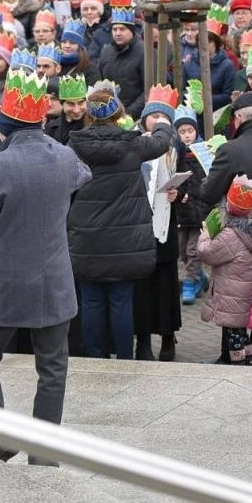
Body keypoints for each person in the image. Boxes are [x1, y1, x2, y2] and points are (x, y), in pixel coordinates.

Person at [0, 65, 92, 465]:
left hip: (5, 279)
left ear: (5, 125)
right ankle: (44, 453)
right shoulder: (65, 157)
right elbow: (83, 176)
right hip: (54, 280)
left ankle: (1, 435)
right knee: (52, 368)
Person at [66, 82, 174, 359]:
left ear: (89, 114)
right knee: (121, 301)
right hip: (126, 239)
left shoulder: (74, 145)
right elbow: (162, 142)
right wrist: (162, 122)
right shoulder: (132, 144)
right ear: (119, 114)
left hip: (86, 236)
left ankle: (95, 357)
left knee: (90, 300)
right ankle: (125, 358)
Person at [198, 176, 252, 364]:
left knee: (233, 335)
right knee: (239, 331)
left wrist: (205, 235)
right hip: (242, 292)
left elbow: (207, 253)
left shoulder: (231, 234)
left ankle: (238, 367)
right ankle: (245, 359)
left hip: (230, 293)